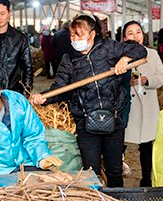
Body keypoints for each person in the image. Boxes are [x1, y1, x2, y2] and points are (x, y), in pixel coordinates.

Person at [31, 15, 146, 188]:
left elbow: (139, 50)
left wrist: (124, 59)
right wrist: (44, 97)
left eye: (79, 35)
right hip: (86, 121)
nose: (74, 39)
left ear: (92, 34)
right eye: (72, 35)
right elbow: (61, 89)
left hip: (113, 118)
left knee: (114, 169)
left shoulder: (108, 47)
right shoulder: (69, 60)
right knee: (90, 171)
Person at [121, 21, 163, 187]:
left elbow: (161, 77)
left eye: (138, 32)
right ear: (124, 37)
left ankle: (146, 179)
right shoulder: (120, 57)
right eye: (131, 33)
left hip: (147, 106)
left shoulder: (152, 54)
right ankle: (117, 173)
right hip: (128, 106)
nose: (135, 36)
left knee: (147, 145)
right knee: (121, 142)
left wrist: (147, 80)